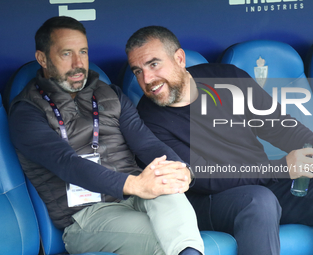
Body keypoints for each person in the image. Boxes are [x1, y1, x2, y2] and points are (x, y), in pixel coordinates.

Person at [126, 25, 313, 255]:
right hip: (206, 201)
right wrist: (281, 168)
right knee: (258, 201)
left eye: (154, 64)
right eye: (137, 71)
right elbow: (205, 176)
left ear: (179, 58)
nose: (147, 79)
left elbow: (281, 127)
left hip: (261, 182)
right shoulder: (147, 118)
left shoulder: (226, 78)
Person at [8, 17, 205, 255]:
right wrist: (134, 184)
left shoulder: (110, 94)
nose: (78, 63)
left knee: (168, 189)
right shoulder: (27, 111)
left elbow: (147, 143)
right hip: (88, 216)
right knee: (165, 241)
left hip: (138, 196)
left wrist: (182, 169)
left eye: (83, 51)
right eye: (66, 54)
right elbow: (67, 164)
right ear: (43, 59)